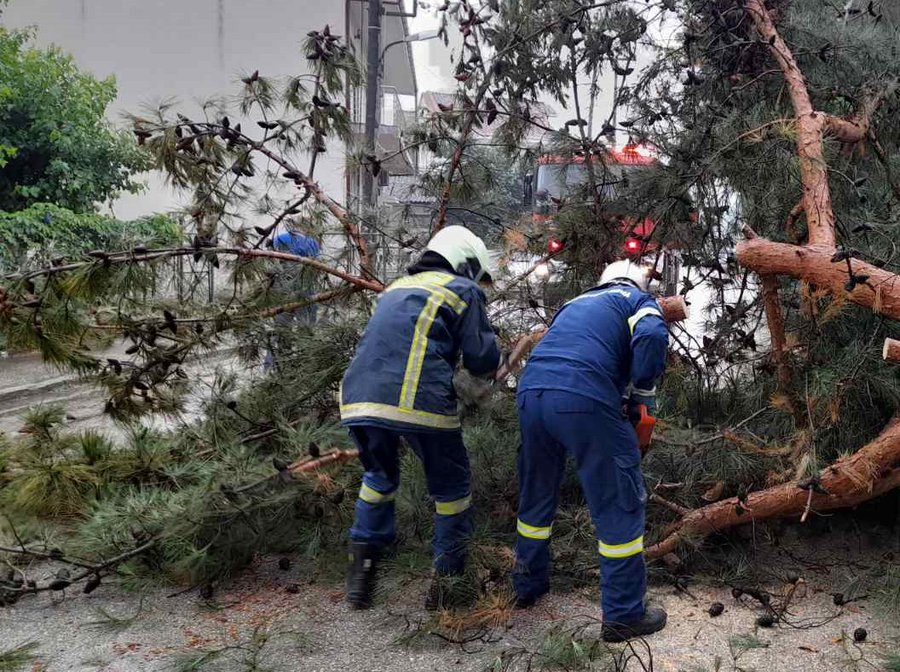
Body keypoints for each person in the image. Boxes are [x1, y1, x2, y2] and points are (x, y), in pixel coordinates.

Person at [339, 225, 503, 610]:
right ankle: (448, 586)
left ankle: (361, 578)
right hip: (417, 397)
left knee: (378, 478)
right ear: (466, 263)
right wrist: (477, 383)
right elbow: (482, 357)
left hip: (358, 399)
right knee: (452, 487)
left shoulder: (394, 288)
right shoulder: (462, 290)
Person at [513, 260, 669, 642]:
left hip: (531, 394)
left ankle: (527, 585)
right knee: (619, 501)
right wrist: (642, 392)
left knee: (536, 493)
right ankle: (623, 615)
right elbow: (652, 333)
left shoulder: (575, 302)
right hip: (582, 396)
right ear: (637, 282)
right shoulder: (636, 300)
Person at [263, 228, 321, 371]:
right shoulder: (312, 243)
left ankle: (274, 367)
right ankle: (307, 366)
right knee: (306, 329)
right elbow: (317, 269)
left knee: (280, 330)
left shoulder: (278, 239)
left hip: (282, 290)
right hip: (306, 291)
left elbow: (268, 269)